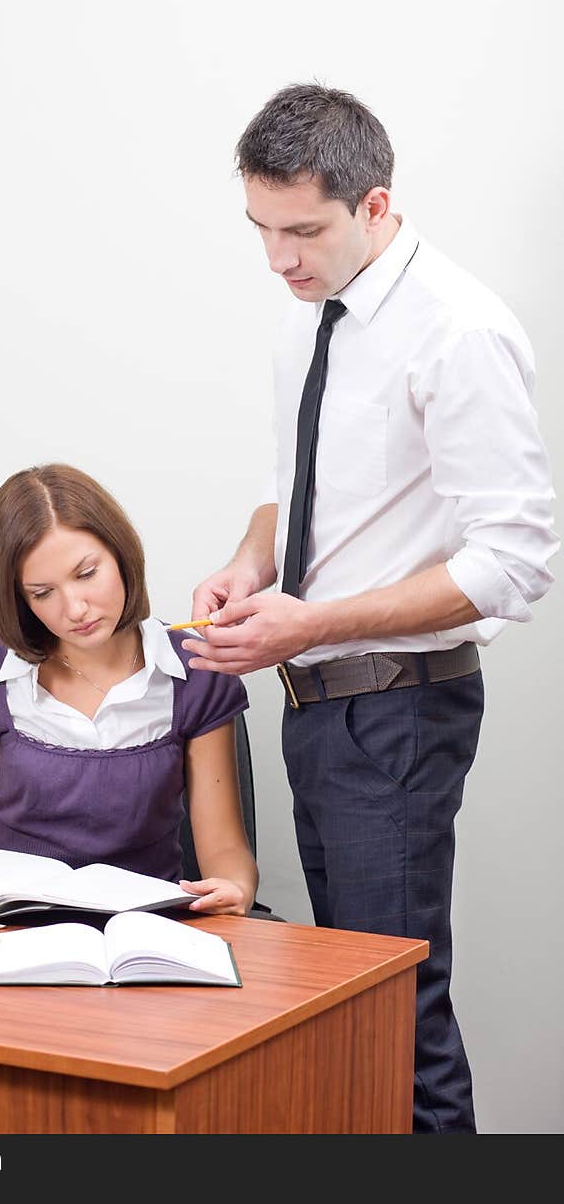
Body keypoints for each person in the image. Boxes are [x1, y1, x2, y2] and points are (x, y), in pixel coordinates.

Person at [185, 83, 557, 1131]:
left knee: (396, 1011)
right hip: (319, 702)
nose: (278, 258)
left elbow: (516, 559)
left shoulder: (458, 329)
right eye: (260, 229)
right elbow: (297, 485)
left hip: (395, 707)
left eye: (301, 230)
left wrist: (315, 622)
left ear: (375, 205)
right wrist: (251, 565)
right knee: (352, 1005)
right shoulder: (309, 321)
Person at [0, 462, 258, 917]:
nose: (75, 608)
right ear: (19, 599)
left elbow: (225, 851)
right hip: (13, 926)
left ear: (120, 554)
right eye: (42, 593)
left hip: (144, 930)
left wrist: (234, 887)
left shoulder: (197, 669)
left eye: (87, 573)